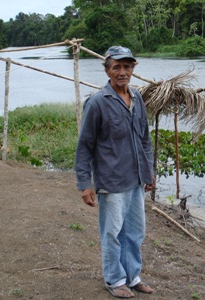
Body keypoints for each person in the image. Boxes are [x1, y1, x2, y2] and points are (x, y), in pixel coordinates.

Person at [75, 46, 155, 298]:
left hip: (136, 180)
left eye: (127, 67)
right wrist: (84, 183)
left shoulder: (138, 98)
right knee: (112, 233)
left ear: (133, 69)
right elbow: (85, 145)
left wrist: (149, 171)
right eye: (117, 67)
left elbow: (145, 139)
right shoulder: (98, 103)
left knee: (135, 232)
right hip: (111, 181)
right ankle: (114, 279)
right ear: (107, 70)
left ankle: (132, 276)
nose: (123, 72)